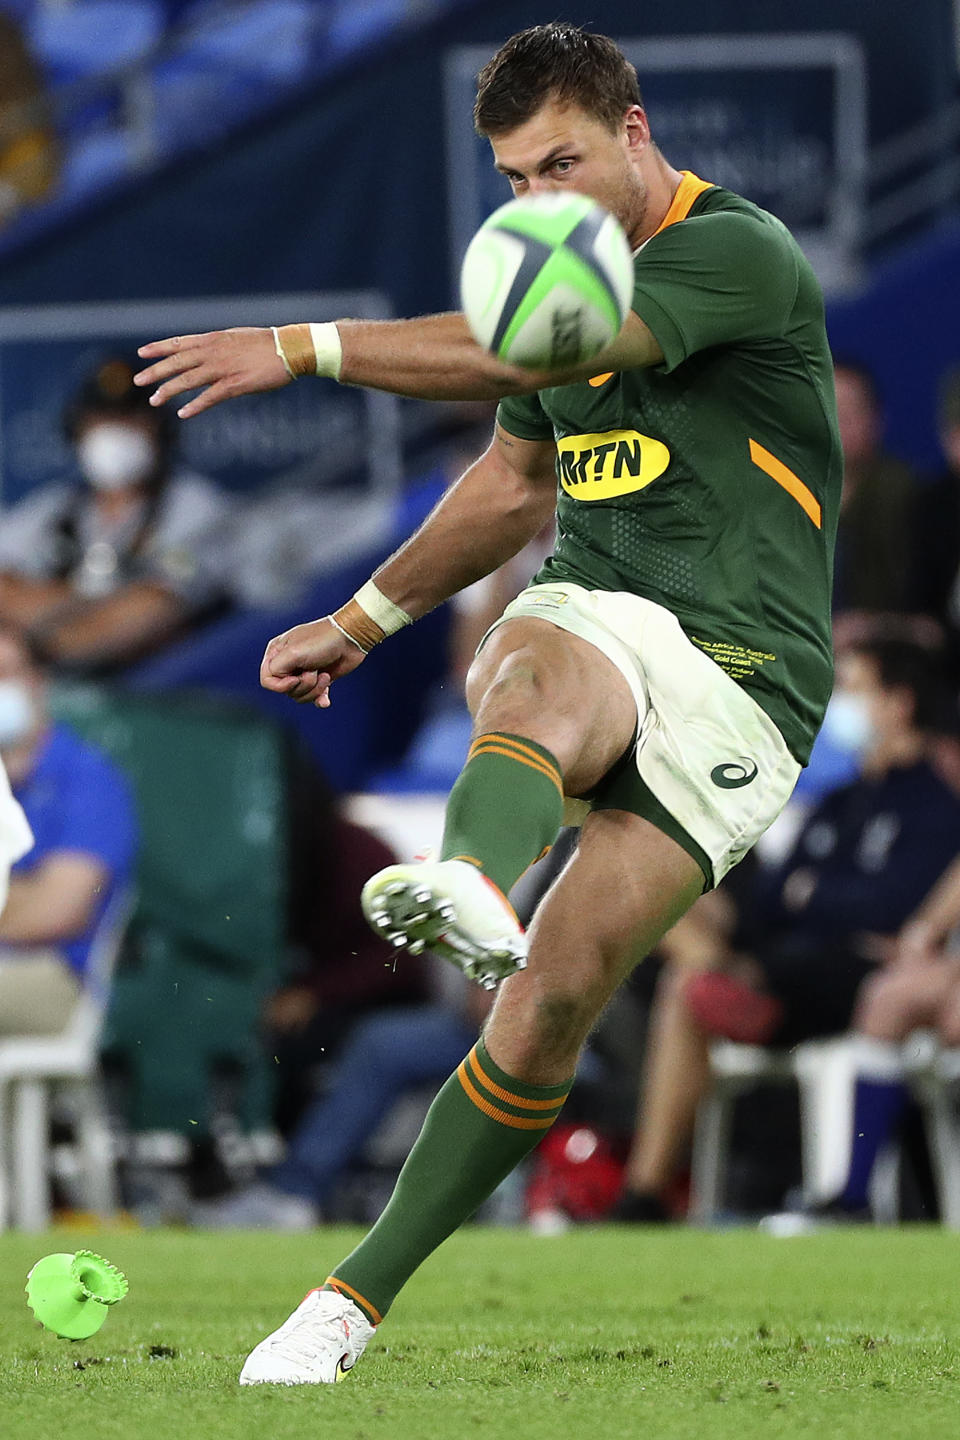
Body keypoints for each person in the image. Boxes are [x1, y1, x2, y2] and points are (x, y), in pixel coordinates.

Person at [136, 23, 841, 1385]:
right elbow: (517, 490)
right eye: (518, 179)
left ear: (635, 133)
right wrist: (361, 618)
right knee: (540, 655)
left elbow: (533, 353)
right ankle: (340, 1304)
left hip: (749, 681)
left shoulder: (733, 251)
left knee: (557, 996)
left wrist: (305, 345)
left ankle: (471, 905)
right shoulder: (556, 272)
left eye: (564, 162)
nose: (543, 201)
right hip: (602, 611)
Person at [617, 638, 960, 1220]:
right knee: (662, 909)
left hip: (852, 979)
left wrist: (815, 898)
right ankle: (646, 1192)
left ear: (899, 704)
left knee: (689, 987)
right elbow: (775, 903)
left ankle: (646, 1192)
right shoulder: (838, 802)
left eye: (853, 689)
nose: (838, 706)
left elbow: (890, 911)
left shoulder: (934, 802)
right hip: (791, 970)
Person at [0, 356, 233, 674]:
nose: (114, 432)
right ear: (78, 431)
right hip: (55, 690)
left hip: (157, 691)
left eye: (129, 419)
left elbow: (153, 612)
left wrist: (32, 642)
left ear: (160, 429)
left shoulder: (194, 506)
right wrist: (99, 600)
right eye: (101, 419)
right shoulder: (57, 507)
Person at [0, 625, 137, 1035]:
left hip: (57, 976)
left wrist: (28, 896)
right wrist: (23, 893)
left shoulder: (87, 779)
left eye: (4, 672)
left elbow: (57, 912)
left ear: (36, 682)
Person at [831, 360, 918, 621]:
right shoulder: (782, 493)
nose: (839, 423)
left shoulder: (905, 494)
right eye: (829, 410)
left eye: (849, 412)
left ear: (876, 418)